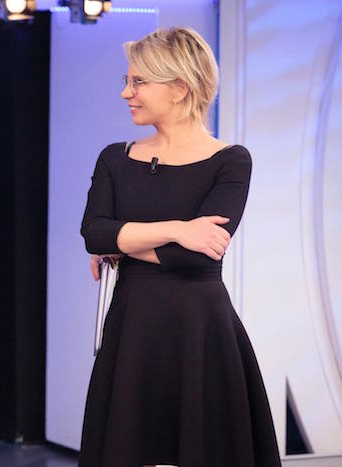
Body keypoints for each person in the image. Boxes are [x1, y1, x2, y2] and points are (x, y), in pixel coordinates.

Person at [79, 27, 281, 467]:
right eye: (127, 81)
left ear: (180, 88)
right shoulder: (114, 157)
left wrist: (123, 240)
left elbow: (194, 257)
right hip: (132, 330)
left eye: (138, 82)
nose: (126, 93)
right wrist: (177, 228)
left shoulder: (231, 160)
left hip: (200, 332)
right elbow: (93, 233)